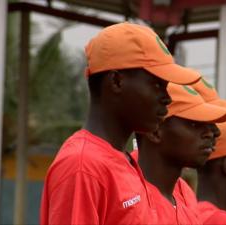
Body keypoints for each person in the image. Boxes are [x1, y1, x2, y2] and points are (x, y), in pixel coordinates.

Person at [40, 22, 201, 225]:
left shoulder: (126, 164)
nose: (167, 98)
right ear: (116, 81)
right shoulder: (83, 165)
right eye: (157, 85)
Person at [132, 83, 226, 224]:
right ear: (155, 131)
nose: (212, 133)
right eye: (194, 124)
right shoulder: (127, 196)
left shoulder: (186, 194)